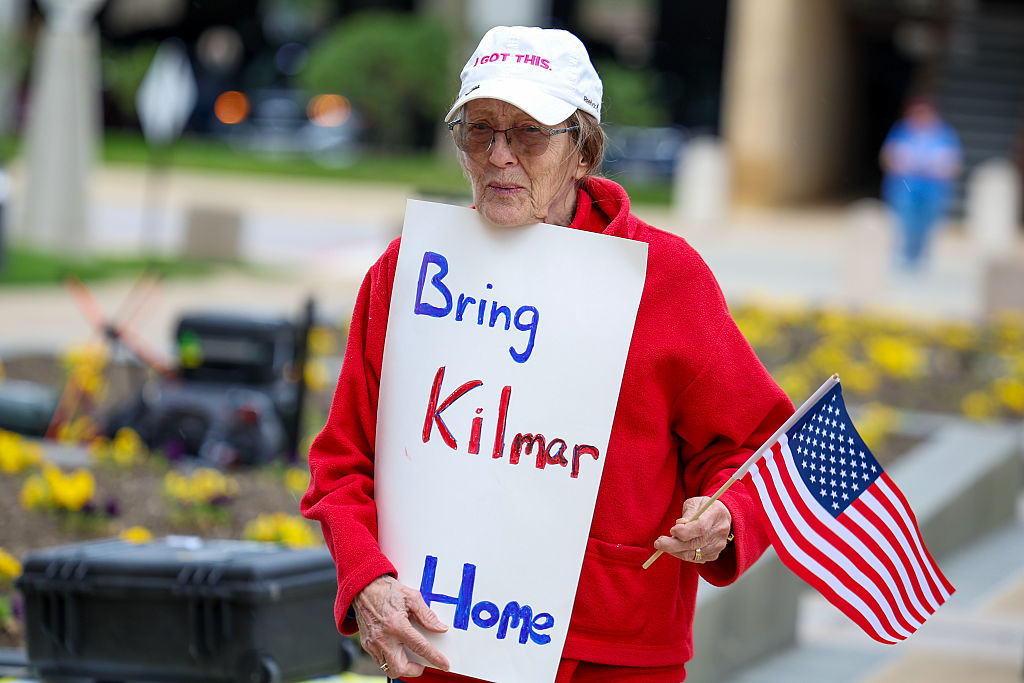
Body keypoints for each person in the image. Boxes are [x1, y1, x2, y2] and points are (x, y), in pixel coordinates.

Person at [301, 25, 792, 682]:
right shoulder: (408, 273)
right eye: (480, 130)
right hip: (448, 645)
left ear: (583, 151)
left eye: (529, 132)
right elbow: (342, 463)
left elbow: (755, 447)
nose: (500, 155)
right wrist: (367, 579)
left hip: (618, 654)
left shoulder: (666, 277)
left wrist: (727, 514)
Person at [880, 97, 962, 270]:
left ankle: (920, 256)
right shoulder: (902, 130)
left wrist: (938, 168)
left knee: (927, 222)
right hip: (906, 185)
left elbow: (953, 162)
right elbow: (887, 156)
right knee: (906, 220)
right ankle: (905, 255)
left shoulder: (944, 133)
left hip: (933, 187)